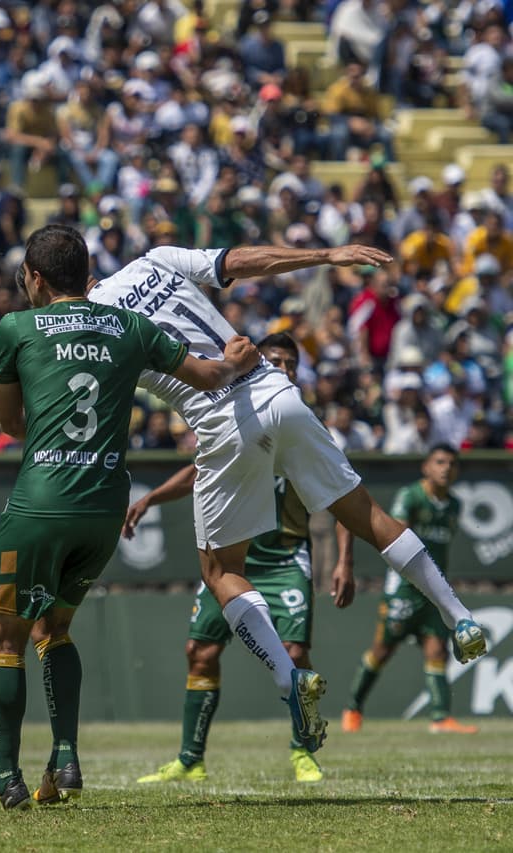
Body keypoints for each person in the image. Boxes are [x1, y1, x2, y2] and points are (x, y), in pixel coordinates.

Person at [86, 240, 488, 759]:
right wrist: (328, 254)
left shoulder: (95, 325)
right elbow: (244, 260)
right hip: (278, 391)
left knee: (221, 572)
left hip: (223, 420)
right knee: (369, 516)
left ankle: (288, 676)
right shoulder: (153, 260)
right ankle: (460, 616)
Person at [0, 225, 262, 810]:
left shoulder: (16, 328)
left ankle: (9, 779)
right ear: (86, 275)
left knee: (6, 639)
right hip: (104, 506)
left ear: (35, 278)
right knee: (55, 630)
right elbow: (209, 377)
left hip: (42, 502)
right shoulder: (131, 326)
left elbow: (10, 425)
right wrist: (235, 356)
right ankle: (65, 756)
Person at [127, 335, 356, 785]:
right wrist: (152, 497)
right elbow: (199, 471)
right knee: (200, 651)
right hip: (232, 557)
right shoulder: (232, 411)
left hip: (283, 555)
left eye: (291, 362)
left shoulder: (300, 420)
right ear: (256, 361)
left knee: (295, 652)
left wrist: (345, 560)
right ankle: (191, 759)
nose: (284, 368)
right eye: (276, 360)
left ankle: (303, 750)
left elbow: (342, 492)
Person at [343, 445, 478, 735]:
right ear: (425, 467)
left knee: (437, 649)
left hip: (433, 591)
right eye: (440, 462)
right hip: (403, 589)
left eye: (452, 464)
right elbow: (397, 539)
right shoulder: (411, 496)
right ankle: (353, 708)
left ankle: (440, 719)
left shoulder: (454, 505)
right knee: (382, 650)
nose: (446, 468)